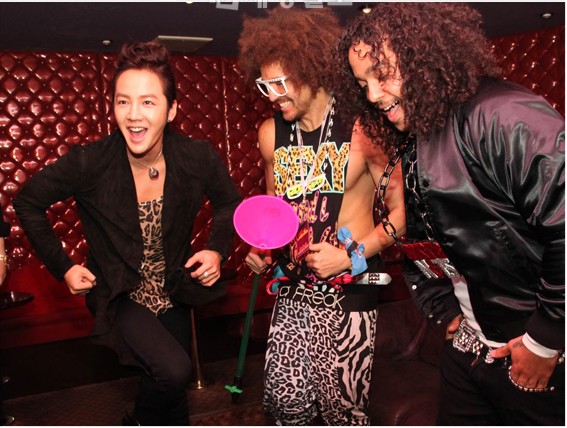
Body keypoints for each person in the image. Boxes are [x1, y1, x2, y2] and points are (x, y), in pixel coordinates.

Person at [334, 3, 565, 425]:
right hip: (470, 351)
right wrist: (444, 309)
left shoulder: (502, 113)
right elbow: (427, 242)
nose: (372, 95)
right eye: (362, 83)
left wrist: (545, 339)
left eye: (382, 74)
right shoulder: (419, 137)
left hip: (537, 359)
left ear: (423, 57)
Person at [14, 41, 241, 425]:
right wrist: (64, 267)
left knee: (172, 399)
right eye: (123, 102)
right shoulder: (90, 162)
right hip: (119, 293)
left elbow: (229, 203)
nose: (134, 115)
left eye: (148, 102)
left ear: (171, 110)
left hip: (173, 291)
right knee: (175, 371)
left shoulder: (196, 157)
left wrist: (216, 250)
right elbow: (27, 202)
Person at [238, 6, 405, 426]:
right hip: (293, 291)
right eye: (265, 85)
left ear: (311, 69)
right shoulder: (270, 135)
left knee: (343, 413)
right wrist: (263, 249)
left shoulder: (363, 129)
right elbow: (274, 211)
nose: (272, 95)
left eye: (280, 83)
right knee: (286, 407)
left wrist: (350, 255)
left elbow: (403, 212)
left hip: (351, 290)